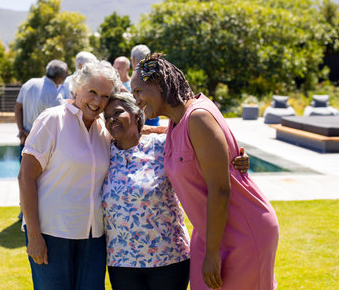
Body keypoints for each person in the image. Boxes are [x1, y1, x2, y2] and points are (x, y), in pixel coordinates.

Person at [131, 54, 279, 290]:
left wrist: (212, 254)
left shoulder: (198, 116)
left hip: (242, 231)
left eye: (138, 91)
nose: (135, 99)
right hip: (209, 233)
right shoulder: (175, 122)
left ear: (158, 84)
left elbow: (220, 190)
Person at [101, 93, 250, 290]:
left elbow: (207, 144)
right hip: (121, 261)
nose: (111, 119)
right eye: (107, 116)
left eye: (118, 112)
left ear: (137, 114)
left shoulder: (163, 145)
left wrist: (239, 157)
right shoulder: (102, 152)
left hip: (169, 257)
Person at [18, 60, 121, 289]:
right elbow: (25, 177)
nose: (97, 101)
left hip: (94, 237)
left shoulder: (103, 129)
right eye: (92, 92)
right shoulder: (52, 119)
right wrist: (34, 235)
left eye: (105, 96)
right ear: (77, 87)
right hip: (51, 233)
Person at [14, 59, 68, 220]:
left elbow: (17, 107)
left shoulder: (29, 83)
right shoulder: (56, 95)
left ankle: (23, 211)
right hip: (41, 141)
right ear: (60, 77)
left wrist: (21, 130)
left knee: (24, 175)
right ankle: (30, 214)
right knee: (38, 180)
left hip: (25, 137)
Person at [130, 44, 160, 126]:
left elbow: (141, 115)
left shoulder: (138, 79)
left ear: (133, 59)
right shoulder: (155, 76)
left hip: (144, 130)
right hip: (156, 127)